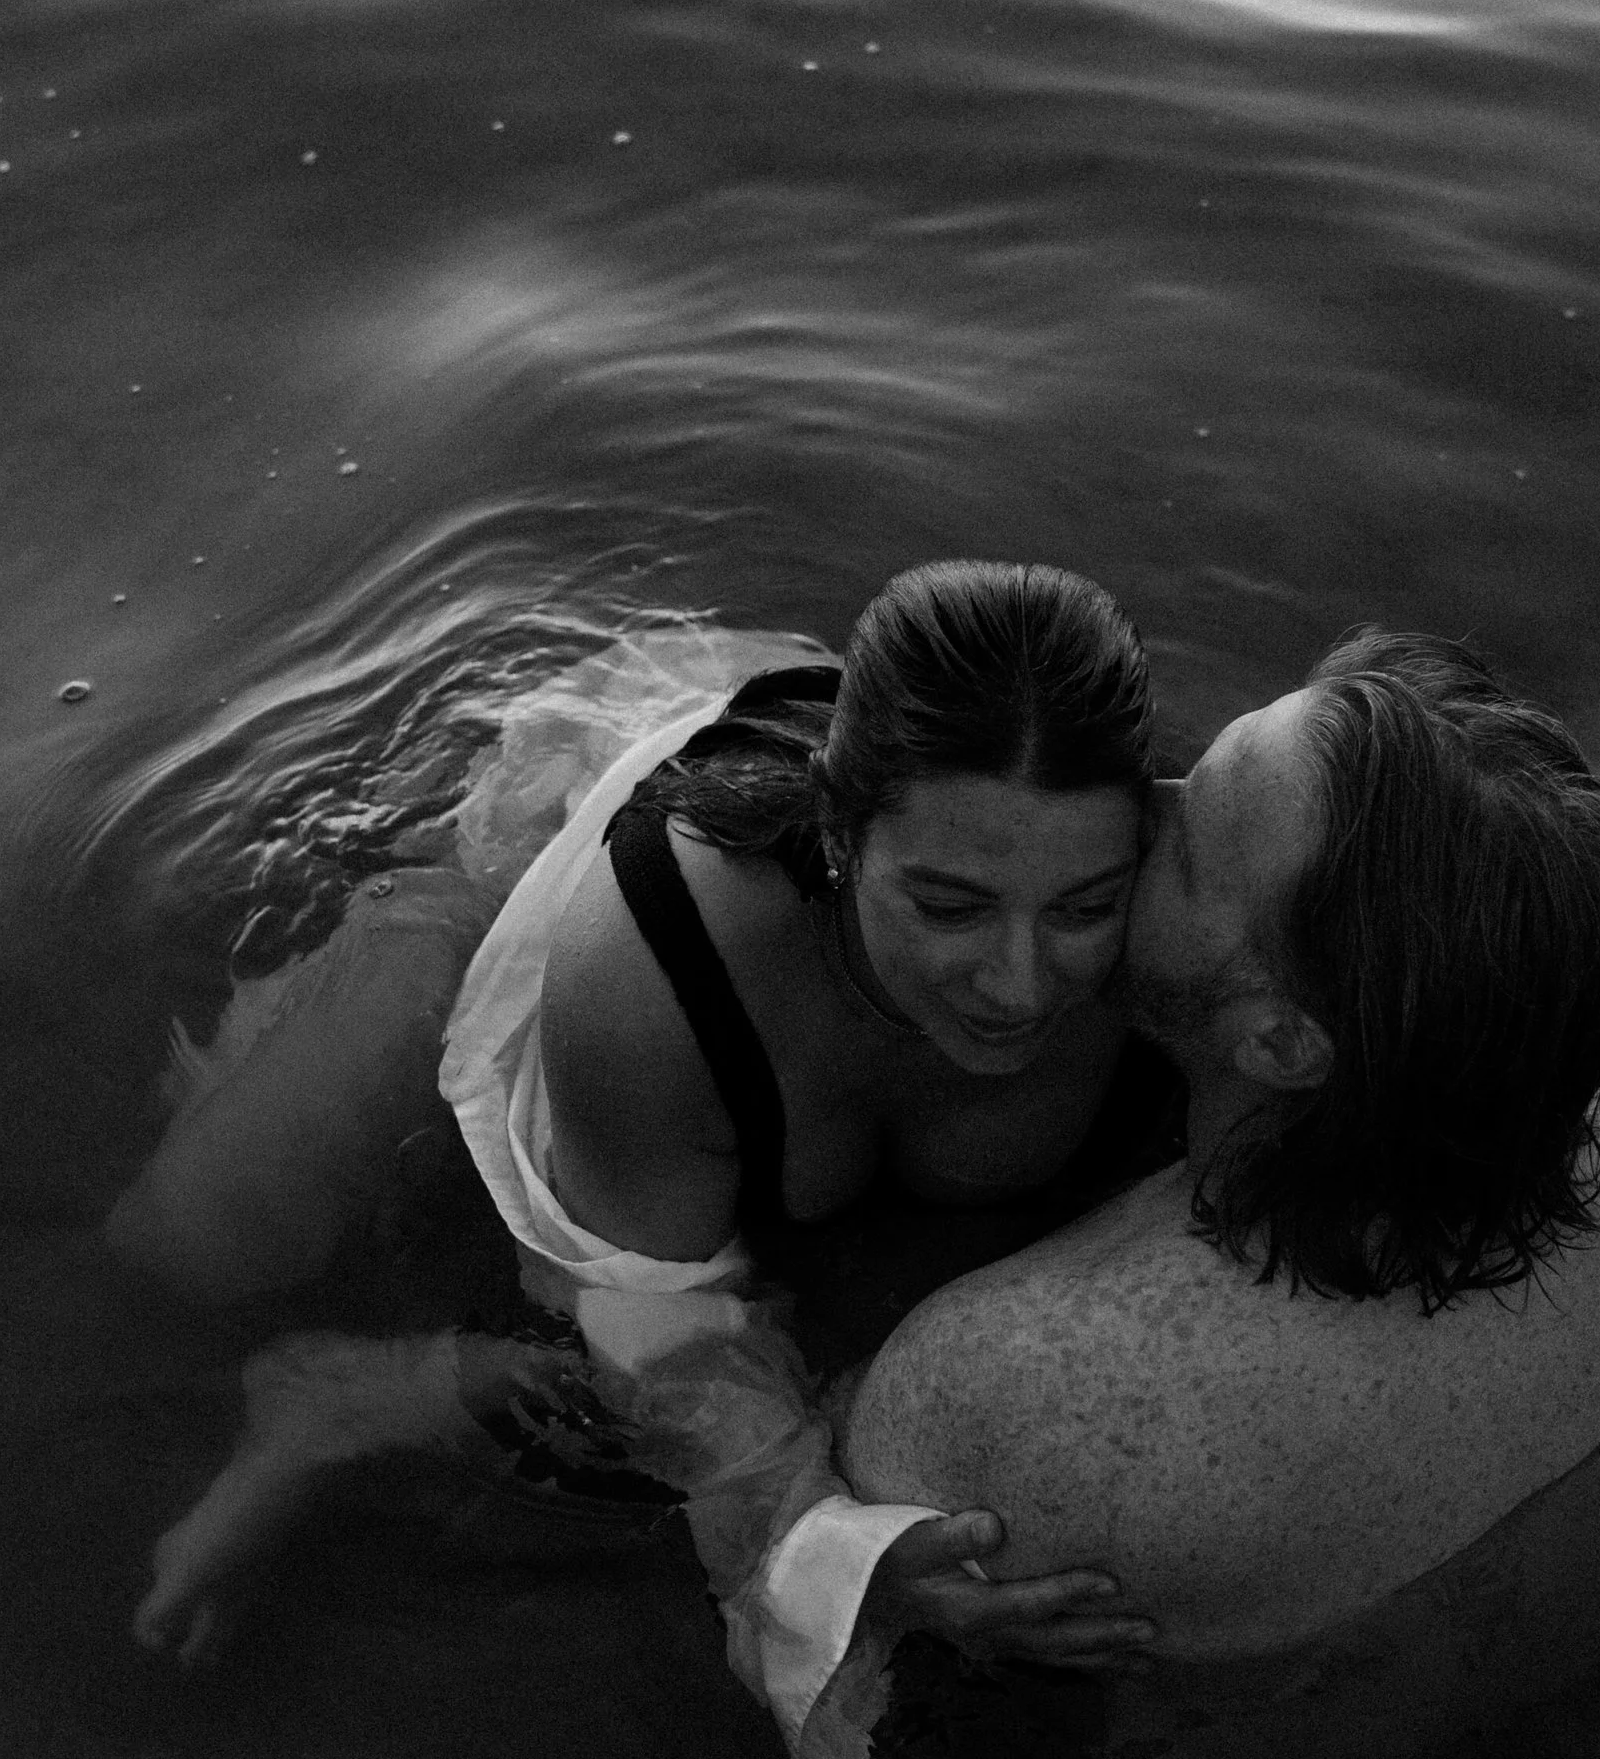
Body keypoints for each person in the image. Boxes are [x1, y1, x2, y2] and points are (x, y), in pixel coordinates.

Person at [733, 627, 1600, 1759]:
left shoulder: (1019, 1385)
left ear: (1279, 1044)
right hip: (1550, 1662)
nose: (1135, 808)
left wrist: (850, 1562)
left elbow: (782, 1606)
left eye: (1188, 834)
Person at [119, 566, 1166, 1664]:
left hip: (866, 732)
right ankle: (339, 1393)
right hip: (555, 837)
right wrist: (836, 1565)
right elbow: (659, 1341)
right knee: (195, 1243)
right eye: (950, 905)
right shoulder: (659, 967)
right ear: (843, 837)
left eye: (1085, 908)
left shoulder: (1175, 910)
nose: (1022, 984)